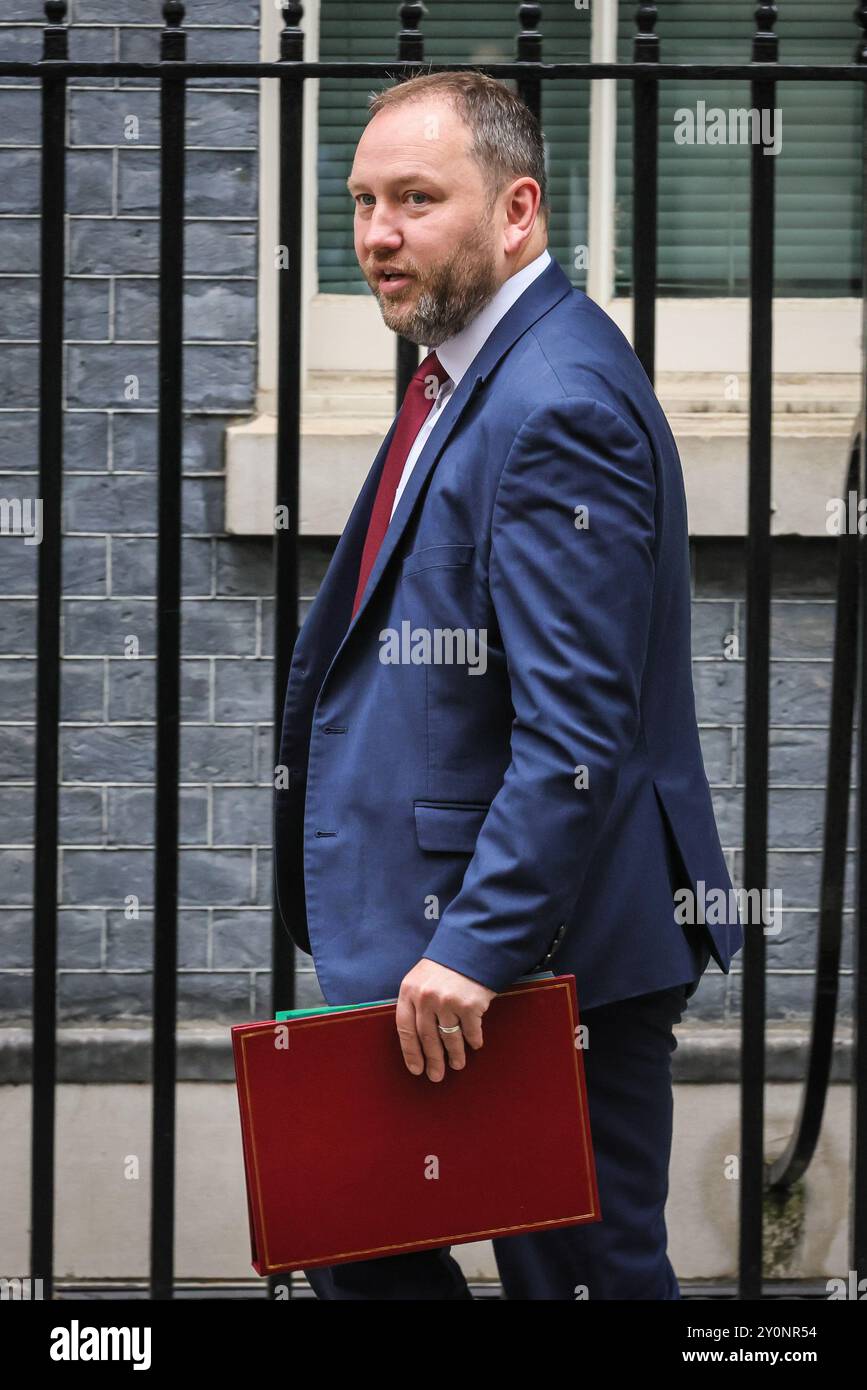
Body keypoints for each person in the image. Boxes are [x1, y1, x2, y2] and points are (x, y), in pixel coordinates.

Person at [273, 69, 743, 1300]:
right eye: (364, 200)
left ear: (518, 208)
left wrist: (477, 949)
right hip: (451, 949)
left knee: (584, 1282)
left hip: (532, 962)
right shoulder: (466, 368)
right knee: (359, 1249)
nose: (378, 234)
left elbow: (577, 726)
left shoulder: (554, 402)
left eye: (417, 199)